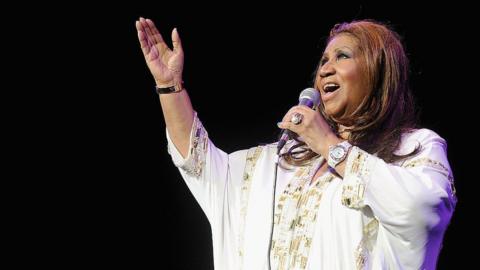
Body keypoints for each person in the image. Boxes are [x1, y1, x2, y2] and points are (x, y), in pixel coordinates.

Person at [135, 17, 456, 270]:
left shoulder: (411, 150)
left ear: (378, 70)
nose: (325, 68)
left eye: (342, 56)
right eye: (323, 60)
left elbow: (421, 210)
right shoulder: (276, 164)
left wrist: (331, 146)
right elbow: (198, 161)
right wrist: (169, 87)